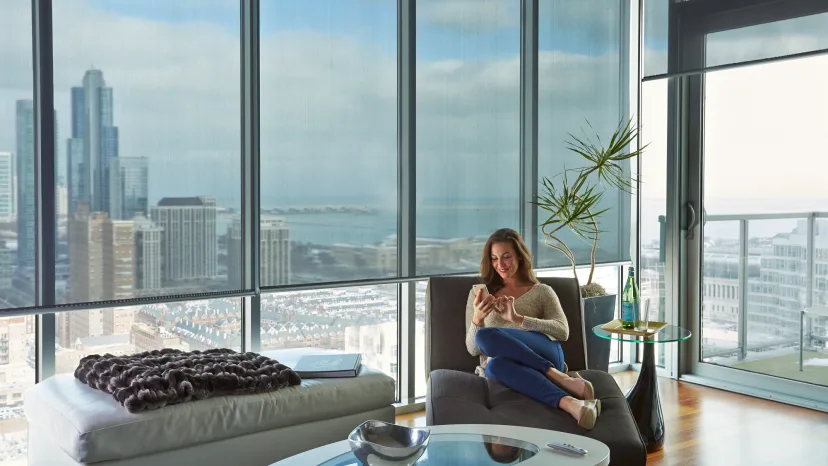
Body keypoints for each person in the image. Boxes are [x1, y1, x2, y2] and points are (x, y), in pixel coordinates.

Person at [465, 228, 600, 429]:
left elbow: (563, 331)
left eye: (506, 257)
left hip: (546, 354)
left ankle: (557, 375)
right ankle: (572, 404)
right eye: (494, 258)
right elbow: (473, 349)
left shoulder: (542, 291)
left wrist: (518, 319)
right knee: (491, 358)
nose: (500, 264)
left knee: (489, 340)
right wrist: (477, 318)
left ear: (519, 256)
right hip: (506, 365)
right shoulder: (479, 295)